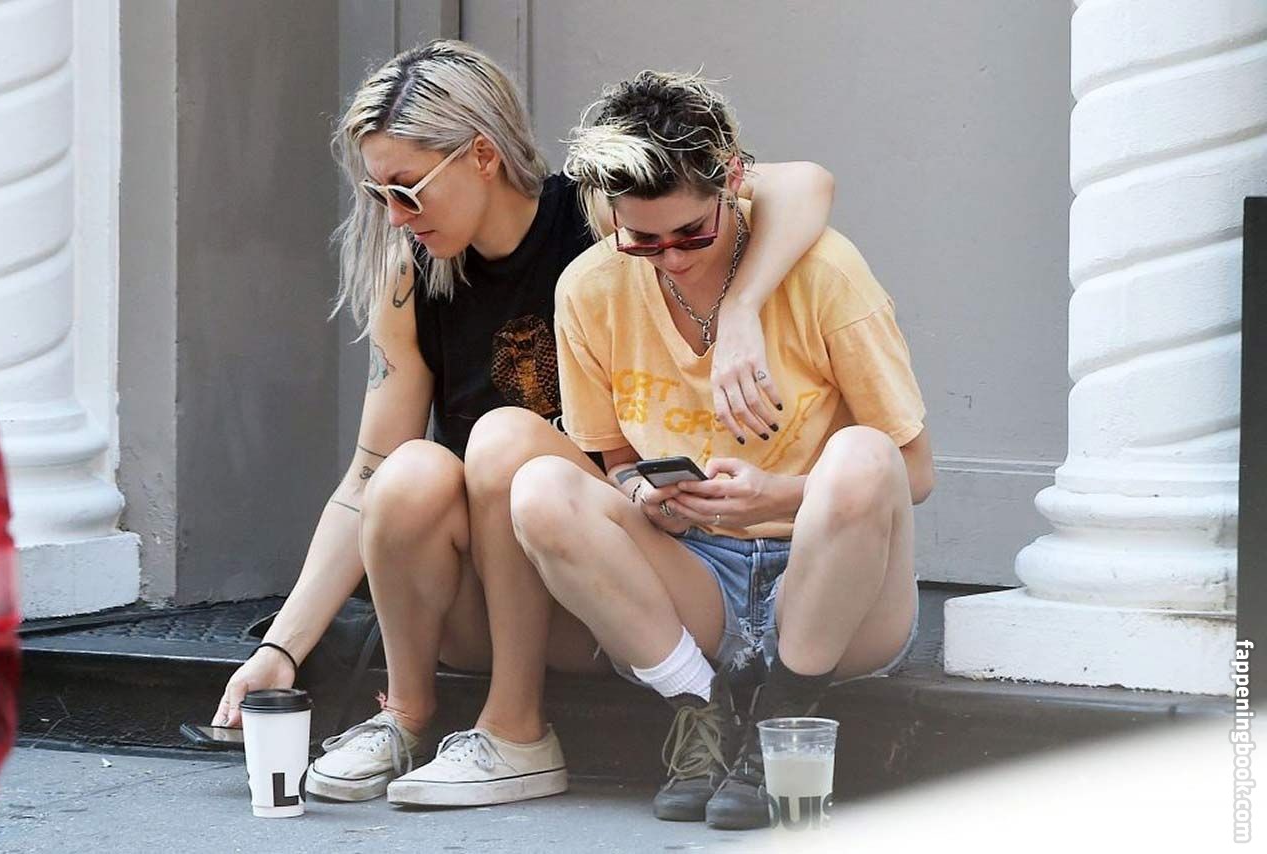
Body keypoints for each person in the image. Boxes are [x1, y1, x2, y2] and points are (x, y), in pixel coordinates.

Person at [209, 41, 837, 808]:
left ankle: (516, 731)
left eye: (407, 190)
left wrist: (741, 310)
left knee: (504, 438)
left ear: (481, 155)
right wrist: (282, 647)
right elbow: (363, 479)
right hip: (490, 607)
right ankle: (405, 716)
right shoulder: (414, 275)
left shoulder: (598, 214)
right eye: (378, 195)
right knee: (407, 474)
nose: (393, 216)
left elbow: (805, 184)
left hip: (611, 588)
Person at [509, 70, 934, 830]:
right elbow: (613, 460)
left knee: (864, 453)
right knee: (541, 486)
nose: (671, 258)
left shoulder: (825, 272)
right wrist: (645, 497)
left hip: (830, 580)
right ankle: (700, 710)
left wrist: (780, 496)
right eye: (643, 240)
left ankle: (780, 718)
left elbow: (914, 474)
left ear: (732, 183)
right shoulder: (589, 289)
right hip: (695, 575)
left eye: (691, 234)